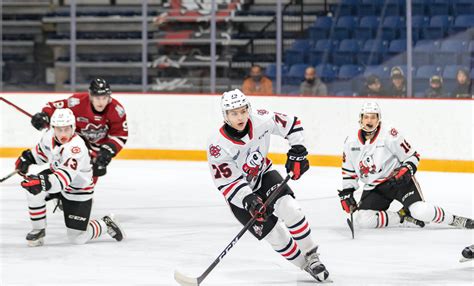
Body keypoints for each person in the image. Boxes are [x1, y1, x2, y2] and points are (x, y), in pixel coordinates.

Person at [207, 89, 329, 282]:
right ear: (225, 116)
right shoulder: (217, 146)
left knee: (291, 210)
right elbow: (227, 182)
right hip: (240, 195)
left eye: (243, 110)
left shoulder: (261, 119)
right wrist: (248, 199)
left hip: (264, 175)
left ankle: (312, 256)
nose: (240, 116)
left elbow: (292, 124)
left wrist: (298, 150)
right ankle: (305, 265)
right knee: (275, 235)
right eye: (234, 113)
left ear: (249, 108)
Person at [338, 102, 473, 230]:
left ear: (378, 119)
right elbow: (348, 172)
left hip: (399, 182)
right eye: (366, 117)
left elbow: (413, 156)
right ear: (360, 119)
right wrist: (347, 193)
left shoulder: (390, 135)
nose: (369, 120)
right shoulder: (350, 143)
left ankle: (453, 219)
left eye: (373, 117)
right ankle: (402, 216)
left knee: (421, 211)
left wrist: (406, 170)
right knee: (363, 220)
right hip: (375, 188)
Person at [14, 108, 124, 247]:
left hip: (77, 189)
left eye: (67, 129)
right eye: (59, 130)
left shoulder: (76, 148)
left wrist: (41, 182)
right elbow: (41, 153)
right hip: (56, 177)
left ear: (73, 127)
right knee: (34, 192)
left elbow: (63, 180)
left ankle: (106, 223)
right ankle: (38, 230)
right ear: (53, 128)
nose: (63, 134)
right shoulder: (49, 136)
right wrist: (28, 158)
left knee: (77, 238)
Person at [30, 78, 128, 179]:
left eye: (104, 98)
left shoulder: (117, 110)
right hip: (75, 141)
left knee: (92, 174)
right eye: (97, 98)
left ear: (109, 97)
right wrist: (44, 115)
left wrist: (107, 151)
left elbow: (120, 135)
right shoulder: (77, 102)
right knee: (65, 161)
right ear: (90, 96)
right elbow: (53, 106)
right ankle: (50, 179)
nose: (101, 102)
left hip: (97, 149)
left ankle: (65, 186)